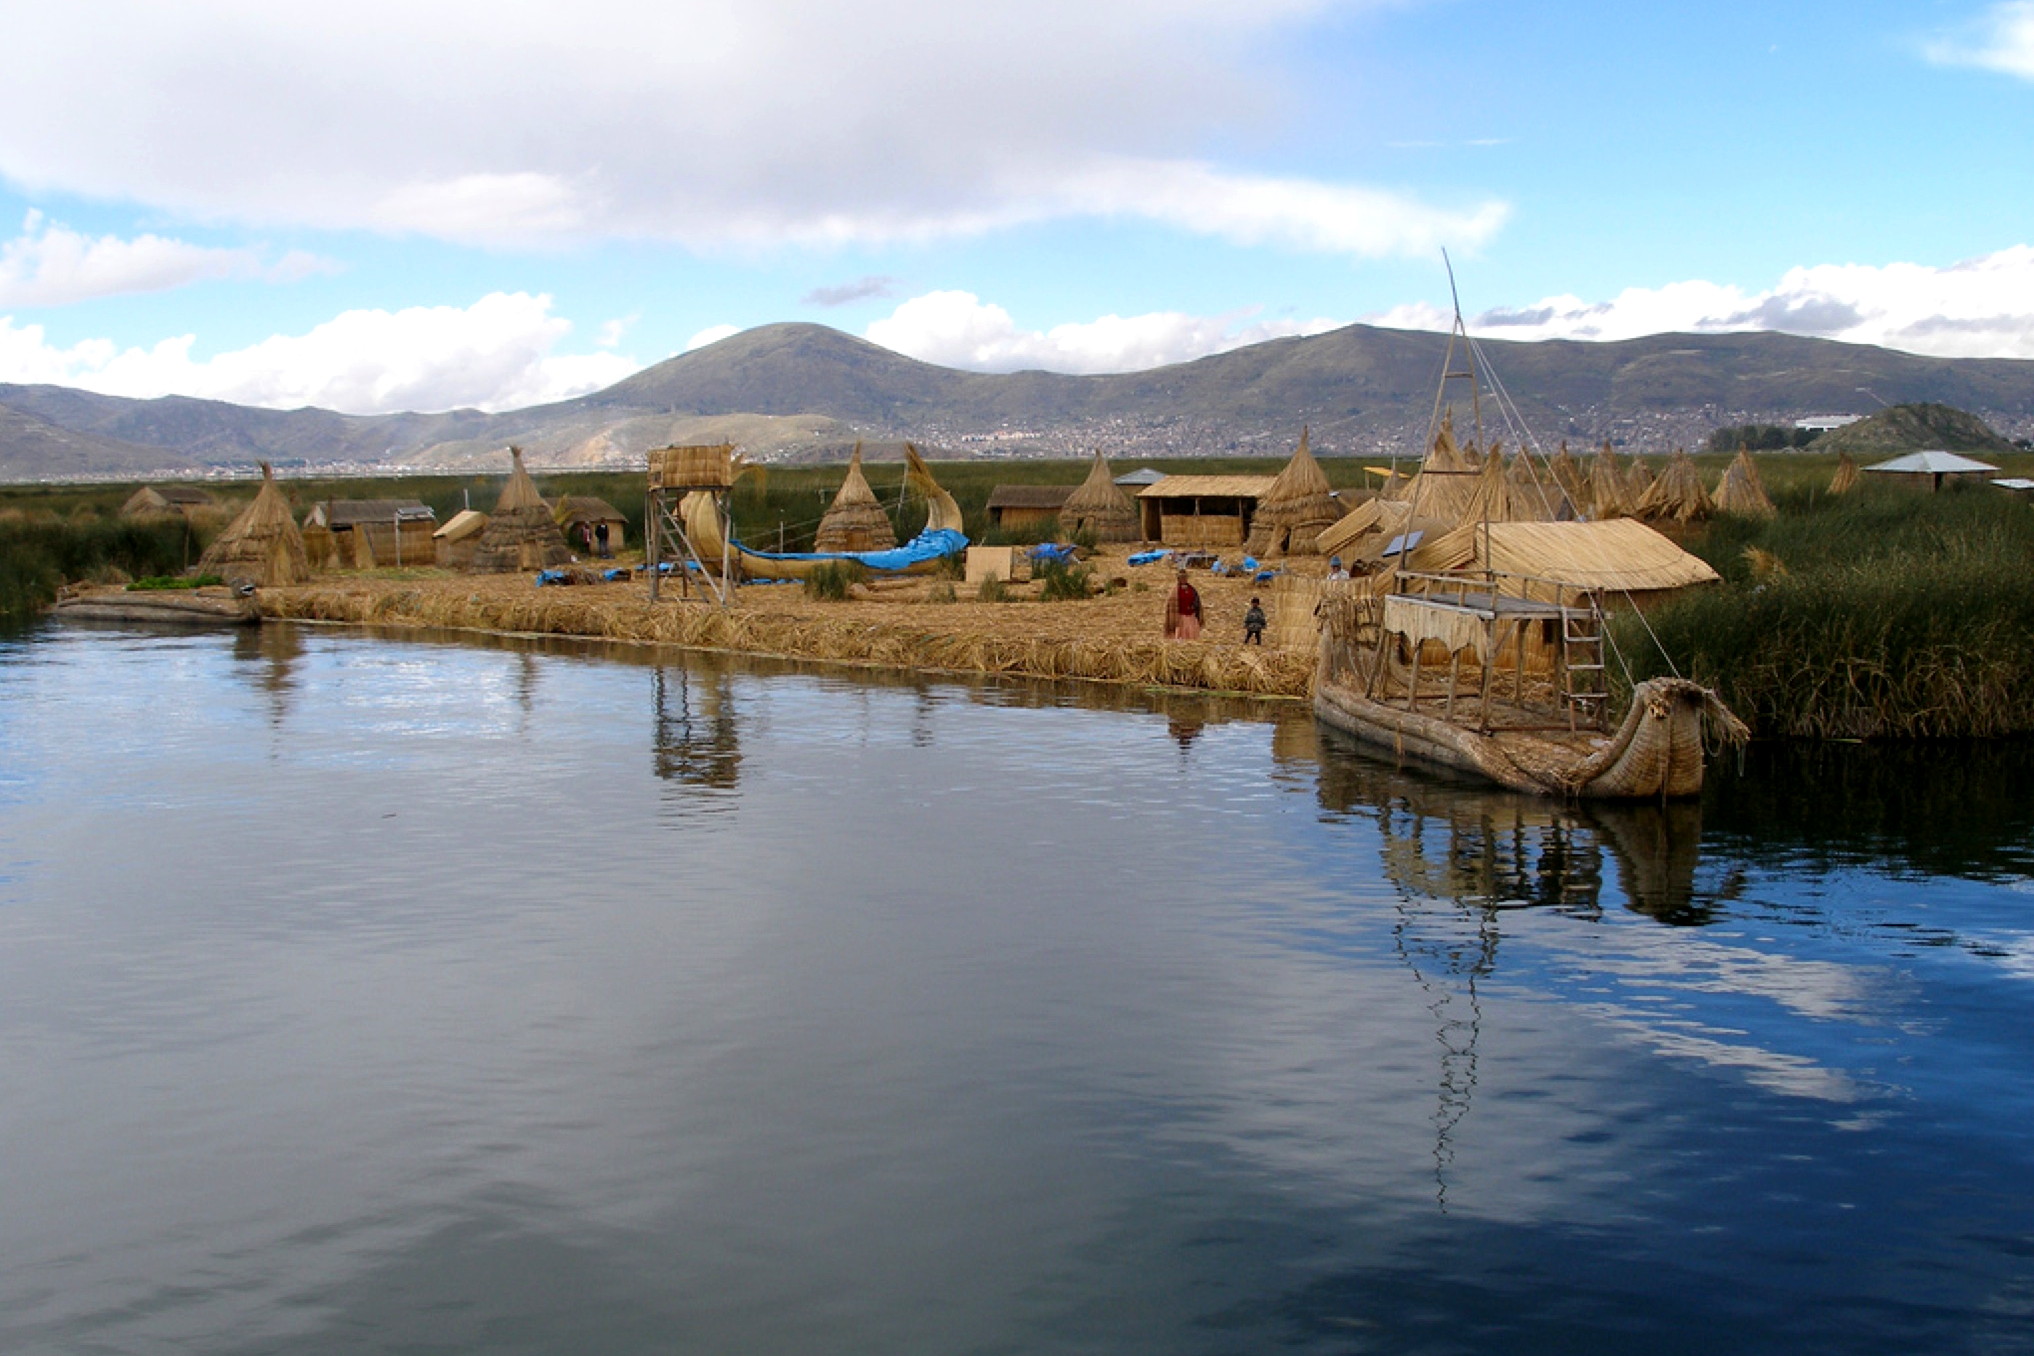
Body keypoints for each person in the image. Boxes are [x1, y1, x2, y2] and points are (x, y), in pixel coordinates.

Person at [1163, 569, 1204, 640]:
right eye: (1182, 578)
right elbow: (1171, 606)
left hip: (1191, 616)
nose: (1184, 579)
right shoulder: (1174, 592)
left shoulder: (1192, 589)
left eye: (1185, 578)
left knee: (1192, 635)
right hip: (1180, 617)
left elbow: (1197, 602)